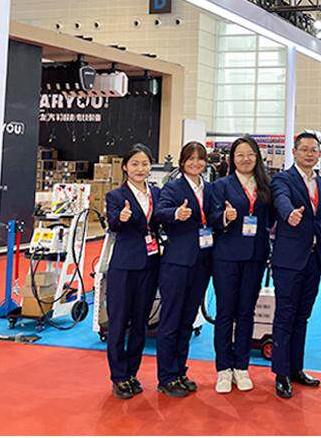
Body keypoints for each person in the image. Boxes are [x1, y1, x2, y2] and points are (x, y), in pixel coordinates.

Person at [208, 137, 275, 393]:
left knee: (246, 312)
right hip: (226, 256)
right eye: (240, 155)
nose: (246, 159)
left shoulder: (266, 186)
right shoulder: (221, 186)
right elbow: (211, 217)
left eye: (250, 154)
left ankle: (241, 366)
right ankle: (223, 369)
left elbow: (271, 218)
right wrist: (225, 217)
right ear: (232, 159)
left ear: (257, 157)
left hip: (255, 256)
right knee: (226, 312)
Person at [269, 132, 321, 399]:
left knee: (302, 316)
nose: (309, 154)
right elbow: (280, 198)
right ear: (294, 152)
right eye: (304, 149)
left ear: (319, 154)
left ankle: (296, 368)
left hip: (313, 259)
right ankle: (281, 373)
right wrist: (288, 214)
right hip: (288, 260)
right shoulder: (283, 179)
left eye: (313, 150)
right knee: (285, 315)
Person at [154, 141, 214, 398]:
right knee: (171, 321)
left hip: (202, 263)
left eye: (200, 159)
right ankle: (166, 377)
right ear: (182, 162)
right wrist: (175, 214)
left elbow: (212, 217)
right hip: (177, 262)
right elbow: (159, 213)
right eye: (190, 158)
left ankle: (180, 371)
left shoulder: (208, 188)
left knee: (187, 320)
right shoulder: (173, 187)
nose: (195, 163)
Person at [104, 144, 161, 399]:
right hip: (124, 267)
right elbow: (113, 224)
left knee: (140, 322)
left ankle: (131, 373)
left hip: (150, 264)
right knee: (118, 322)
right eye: (135, 164)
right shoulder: (116, 196)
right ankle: (118, 376)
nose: (140, 168)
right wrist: (121, 218)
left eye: (145, 164)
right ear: (125, 167)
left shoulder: (157, 193)